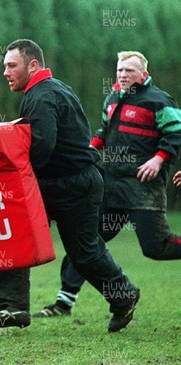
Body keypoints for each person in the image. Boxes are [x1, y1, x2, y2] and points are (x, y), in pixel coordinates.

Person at [0, 39, 140, 332]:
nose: (5, 72)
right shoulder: (54, 88)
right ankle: (13, 309)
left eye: (11, 65)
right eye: (4, 66)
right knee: (20, 236)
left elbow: (40, 147)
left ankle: (124, 295)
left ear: (33, 65)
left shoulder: (39, 96)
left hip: (71, 184)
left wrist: (2, 164)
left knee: (83, 251)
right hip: (68, 180)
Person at [34, 51, 181, 319]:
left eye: (129, 71)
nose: (123, 75)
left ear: (144, 75)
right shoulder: (112, 98)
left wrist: (158, 161)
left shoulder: (159, 101)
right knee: (85, 241)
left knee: (156, 248)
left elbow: (176, 133)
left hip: (142, 188)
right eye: (120, 70)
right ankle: (63, 303)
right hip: (111, 187)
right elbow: (104, 133)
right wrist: (87, 150)